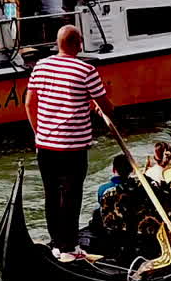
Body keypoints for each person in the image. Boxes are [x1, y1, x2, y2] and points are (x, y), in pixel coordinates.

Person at [25, 25, 117, 263]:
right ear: (78, 44)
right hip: (73, 147)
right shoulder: (86, 70)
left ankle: (57, 244)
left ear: (58, 44)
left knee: (51, 196)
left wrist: (39, 133)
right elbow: (107, 107)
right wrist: (100, 107)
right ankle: (70, 248)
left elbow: (29, 104)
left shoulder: (40, 67)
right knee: (71, 196)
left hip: (45, 145)